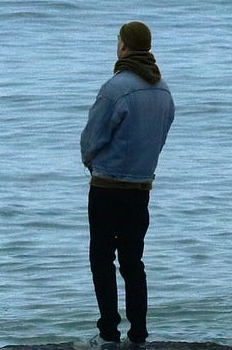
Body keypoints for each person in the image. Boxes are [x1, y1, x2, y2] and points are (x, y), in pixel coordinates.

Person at [77, 21, 175, 350]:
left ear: (124, 47)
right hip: (141, 190)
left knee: (102, 258)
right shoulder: (162, 90)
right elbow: (159, 138)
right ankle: (139, 336)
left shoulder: (115, 88)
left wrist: (92, 164)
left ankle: (108, 334)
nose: (116, 46)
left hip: (107, 187)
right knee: (133, 262)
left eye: (118, 41)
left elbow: (92, 138)